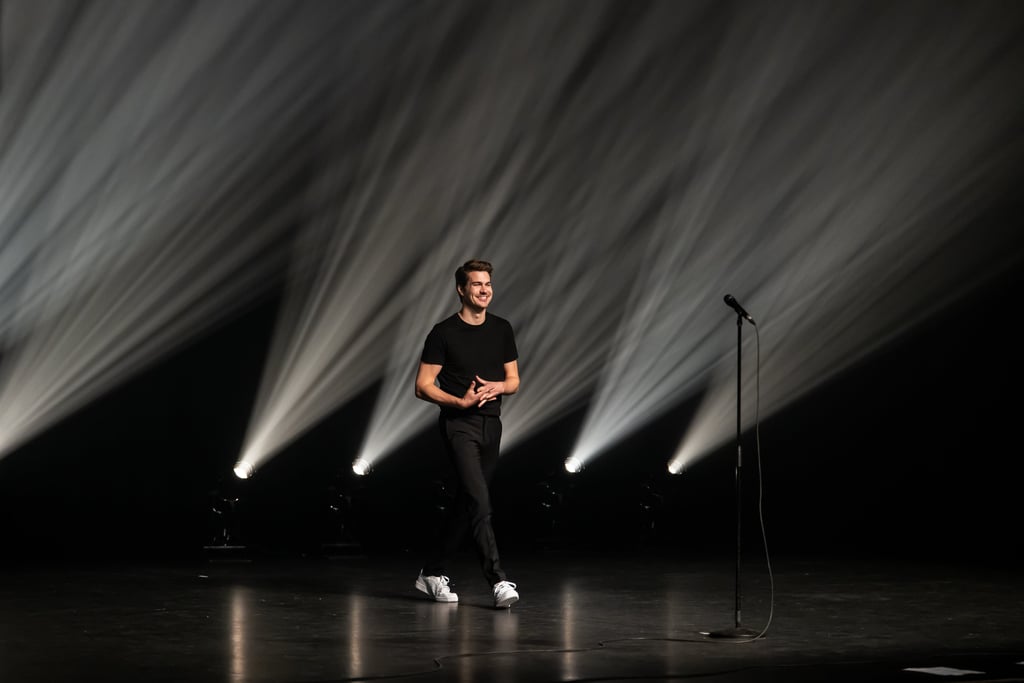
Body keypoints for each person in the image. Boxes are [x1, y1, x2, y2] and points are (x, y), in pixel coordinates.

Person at [413, 259, 521, 609]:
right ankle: (499, 580)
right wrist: (460, 402)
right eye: (477, 284)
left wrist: (498, 386)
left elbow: (514, 381)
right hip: (459, 426)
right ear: (461, 289)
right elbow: (422, 386)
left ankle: (432, 573)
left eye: (488, 283)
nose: (485, 289)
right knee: (479, 502)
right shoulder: (443, 333)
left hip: (493, 424)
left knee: (466, 502)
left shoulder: (502, 328)